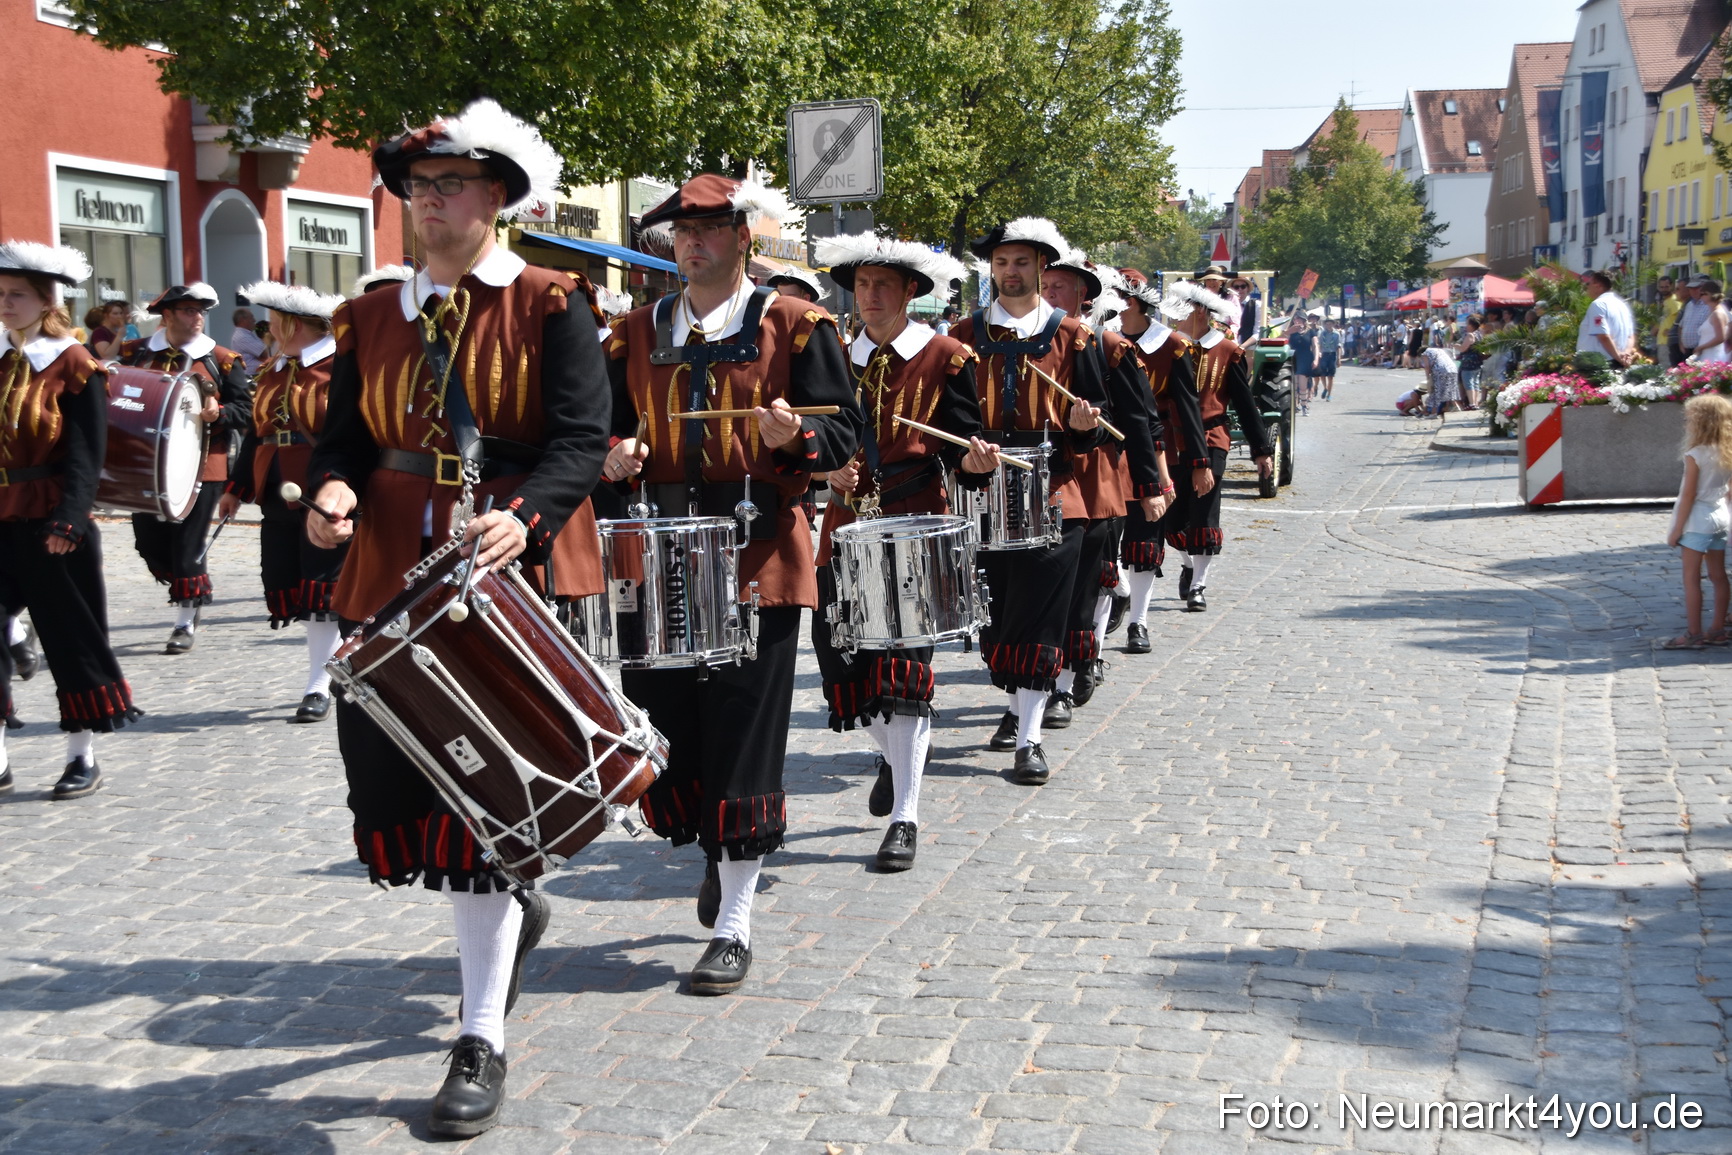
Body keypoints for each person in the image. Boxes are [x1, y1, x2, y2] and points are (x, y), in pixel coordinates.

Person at [304, 99, 611, 1138]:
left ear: (497, 199)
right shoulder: (371, 313)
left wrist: (526, 519)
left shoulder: (551, 302)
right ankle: (509, 918)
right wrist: (331, 492)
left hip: (504, 566)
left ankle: (479, 1036)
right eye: (418, 187)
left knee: (488, 788)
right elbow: (340, 439)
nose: (430, 203)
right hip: (391, 561)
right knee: (406, 786)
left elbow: (581, 437)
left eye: (452, 186)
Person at [600, 173, 861, 993]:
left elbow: (847, 435)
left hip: (758, 556)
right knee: (670, 731)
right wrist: (614, 456)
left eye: (710, 229)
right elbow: (595, 428)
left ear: (743, 237)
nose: (694, 242)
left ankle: (736, 916)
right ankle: (719, 846)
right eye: (682, 231)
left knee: (746, 735)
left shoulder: (796, 325)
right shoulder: (631, 335)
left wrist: (795, 440)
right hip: (661, 554)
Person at [809, 233, 987, 870]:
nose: (871, 296)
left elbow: (968, 454)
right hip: (842, 527)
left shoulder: (947, 357)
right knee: (840, 664)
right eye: (862, 285)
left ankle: (906, 814)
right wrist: (825, 474)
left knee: (904, 676)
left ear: (911, 291)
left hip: (915, 527)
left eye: (885, 284)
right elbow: (805, 444)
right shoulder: (829, 355)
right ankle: (894, 754)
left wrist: (974, 460)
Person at [947, 219, 1106, 785]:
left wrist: (1083, 423)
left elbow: (1094, 421)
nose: (1010, 273)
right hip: (982, 491)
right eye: (1001, 263)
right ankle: (1015, 705)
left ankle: (1030, 736)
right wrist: (967, 451)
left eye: (1021, 263)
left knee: (1039, 617)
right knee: (996, 620)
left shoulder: (1076, 337)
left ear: (1041, 268)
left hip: (1055, 491)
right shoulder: (962, 335)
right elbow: (953, 415)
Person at [0, 241, 142, 798]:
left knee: (69, 641)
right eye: (1, 295)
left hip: (51, 522)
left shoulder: (74, 362)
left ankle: (82, 756)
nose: (5, 303)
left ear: (45, 303)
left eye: (17, 296)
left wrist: (70, 520)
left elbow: (88, 451)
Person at [1039, 250, 1166, 719]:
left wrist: (1152, 485)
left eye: (1060, 288)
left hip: (1095, 479)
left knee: (1088, 581)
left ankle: (1072, 675)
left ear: (1084, 295)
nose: (1050, 294)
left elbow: (1141, 421)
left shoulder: (1110, 346)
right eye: (1045, 286)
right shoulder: (1024, 343)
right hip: (1043, 479)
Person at [218, 281, 348, 722]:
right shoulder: (275, 369)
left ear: (302, 325)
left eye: (277, 322)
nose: (269, 329)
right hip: (274, 492)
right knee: (287, 578)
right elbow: (257, 432)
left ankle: (319, 683)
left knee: (322, 589)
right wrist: (236, 488)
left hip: (322, 490)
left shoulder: (339, 366)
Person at [1159, 282, 1273, 611]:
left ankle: (1198, 585)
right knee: (1171, 518)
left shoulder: (1228, 351)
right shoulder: (1168, 348)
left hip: (1212, 439)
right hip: (1171, 440)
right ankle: (1188, 563)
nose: (1172, 317)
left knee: (1204, 514)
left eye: (1178, 310)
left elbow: (1245, 405)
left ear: (1198, 311)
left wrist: (1260, 450)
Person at [1116, 279, 1200, 652]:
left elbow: (1188, 405)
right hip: (1105, 450)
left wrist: (1198, 460)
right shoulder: (1100, 341)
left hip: (1156, 446)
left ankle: (1139, 622)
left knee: (1147, 537)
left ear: (1132, 301)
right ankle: (1115, 600)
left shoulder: (1172, 345)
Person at [1663, 394, 1732, 649]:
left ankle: (1693, 633)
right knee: (1719, 576)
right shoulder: (1727, 451)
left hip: (1697, 519)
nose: (1686, 424)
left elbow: (1689, 495)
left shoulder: (1695, 454)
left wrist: (1676, 530)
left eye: (1689, 419)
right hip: (1720, 515)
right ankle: (1717, 629)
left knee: (1691, 578)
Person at [1577, 270, 1635, 366]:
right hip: (1617, 361)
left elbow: (1603, 335)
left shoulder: (1598, 304)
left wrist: (1619, 358)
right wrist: (1626, 355)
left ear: (1598, 285)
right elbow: (1630, 336)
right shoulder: (1622, 305)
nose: (1587, 287)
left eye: (1588, 283)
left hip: (1599, 364)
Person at [1691, 280, 1729, 363]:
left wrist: (1701, 347)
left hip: (1714, 357)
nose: (1700, 297)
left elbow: (1720, 338)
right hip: (1708, 355)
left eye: (1703, 294)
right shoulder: (1712, 312)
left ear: (1712, 295)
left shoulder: (1717, 314)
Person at [228, 307, 268, 375]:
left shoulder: (247, 334)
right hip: (252, 375)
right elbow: (265, 353)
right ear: (243, 320)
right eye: (251, 317)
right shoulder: (242, 336)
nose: (254, 320)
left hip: (257, 373)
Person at [1456, 315, 1485, 407]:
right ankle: (1475, 403)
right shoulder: (1479, 334)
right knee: (1475, 383)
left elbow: (1463, 348)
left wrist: (1455, 345)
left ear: (1471, 325)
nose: (1466, 326)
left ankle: (1472, 403)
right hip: (1477, 362)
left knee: (1468, 383)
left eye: (1467, 324)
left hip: (1469, 362)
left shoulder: (1470, 335)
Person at [1288, 314, 1314, 412]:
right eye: (1295, 318)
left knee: (1303, 384)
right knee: (1294, 383)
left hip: (1305, 357)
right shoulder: (1290, 331)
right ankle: (1295, 404)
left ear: (1304, 320)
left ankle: (1304, 404)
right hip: (1292, 357)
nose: (1297, 320)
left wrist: (1316, 359)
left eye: (1299, 318)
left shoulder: (1310, 332)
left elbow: (1315, 345)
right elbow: (1280, 338)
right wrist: (1288, 331)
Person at [1679, 278, 1709, 362]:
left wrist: (1701, 347)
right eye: (1691, 288)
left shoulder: (1708, 305)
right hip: (1686, 350)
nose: (1693, 291)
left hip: (1701, 350)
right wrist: (1681, 344)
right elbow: (1681, 326)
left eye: (1696, 288)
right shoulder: (1689, 305)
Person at [1655, 277, 1679, 367]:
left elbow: (1680, 318)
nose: (1664, 289)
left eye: (1666, 287)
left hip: (1667, 342)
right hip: (1662, 341)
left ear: (1672, 286)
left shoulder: (1674, 301)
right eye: (1661, 287)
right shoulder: (1665, 301)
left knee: (1666, 369)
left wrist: (1672, 331)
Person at [1315, 319, 1340, 401]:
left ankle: (1329, 394)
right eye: (1327, 324)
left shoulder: (1336, 334)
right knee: (1322, 374)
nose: (1328, 326)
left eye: (1330, 324)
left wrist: (1339, 358)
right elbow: (1319, 344)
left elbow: (1338, 346)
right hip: (1324, 354)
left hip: (1332, 354)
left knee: (1331, 376)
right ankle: (1325, 388)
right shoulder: (1322, 334)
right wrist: (1318, 354)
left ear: (1333, 324)